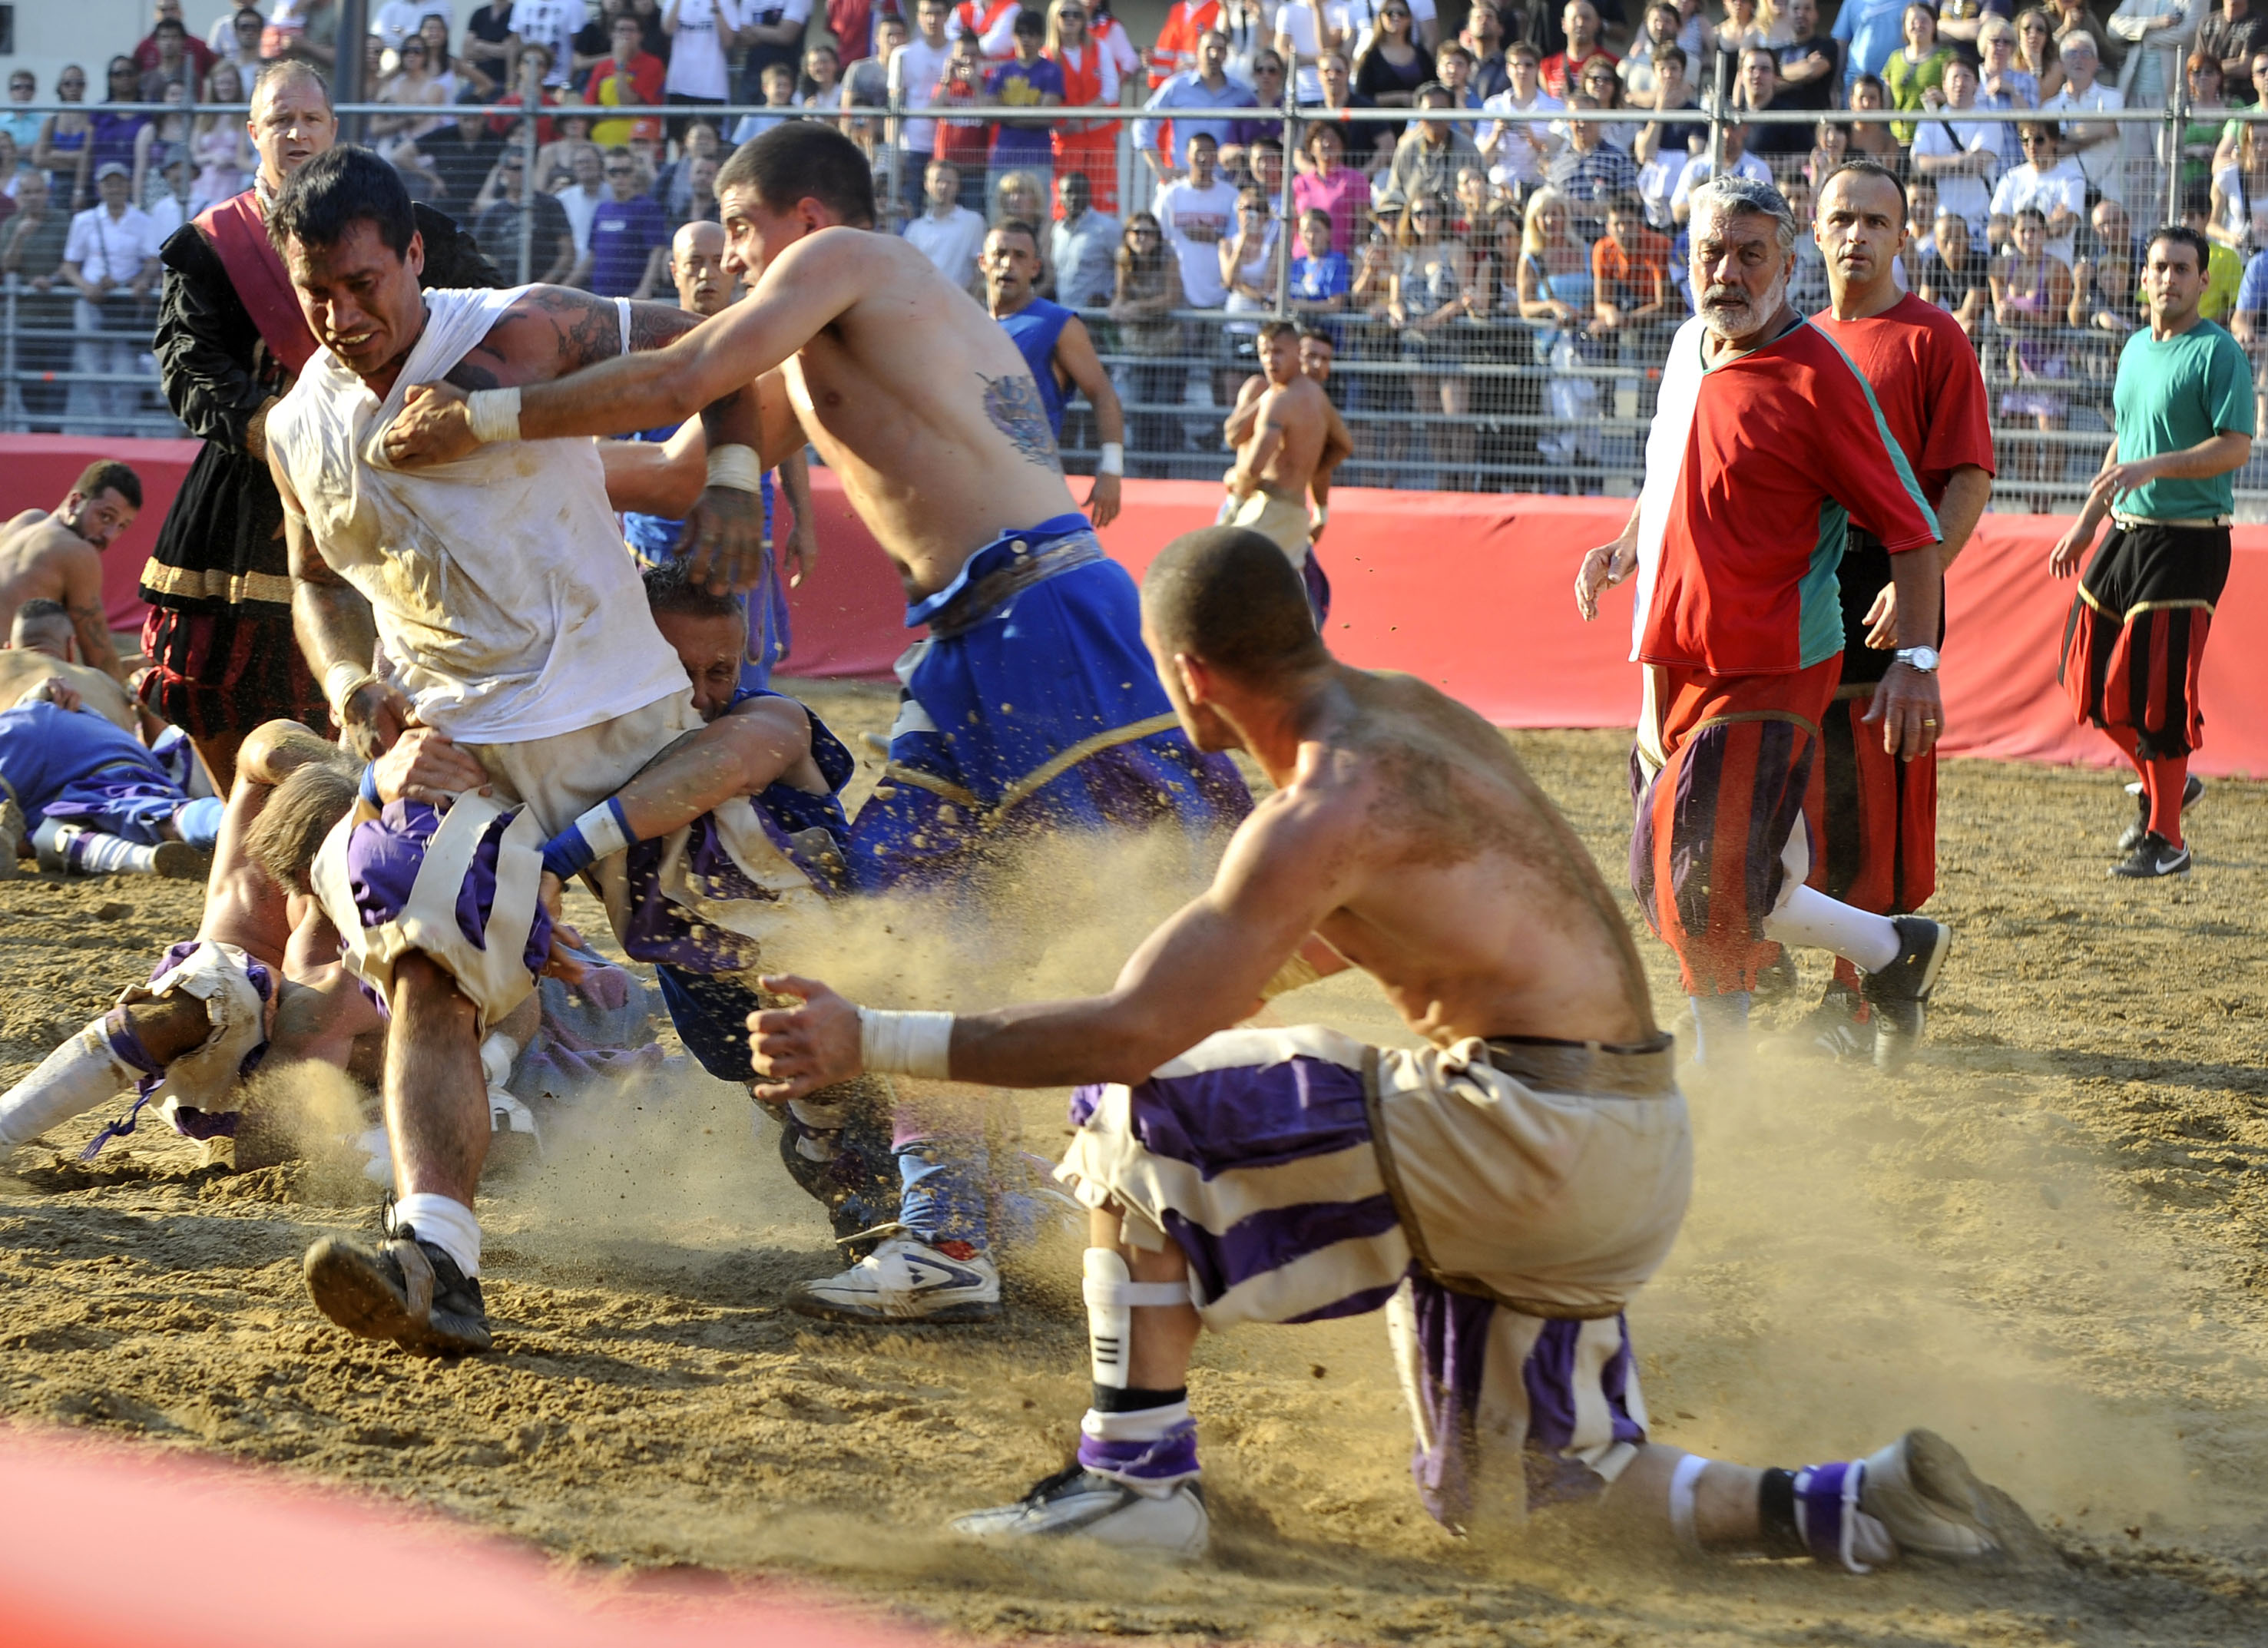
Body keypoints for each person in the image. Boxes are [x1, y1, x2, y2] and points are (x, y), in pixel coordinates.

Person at [746, 525, 2042, 1571]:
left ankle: (1127, 1478)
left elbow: (1145, 1028)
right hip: (1625, 1150)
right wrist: (1200, 979)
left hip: (1527, 1136)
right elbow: (1395, 930)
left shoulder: (1316, 807)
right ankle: (1844, 1505)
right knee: (1537, 1503)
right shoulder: (1416, 721)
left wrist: (874, 1035)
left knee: (1133, 1103)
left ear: (1187, 676)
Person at [381, 123, 1253, 1321]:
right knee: (897, 920)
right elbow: (674, 466)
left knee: (1186, 906)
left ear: (800, 215)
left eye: (738, 228)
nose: (731, 257)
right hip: (967, 639)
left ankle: (1248, 1181)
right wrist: (448, 492)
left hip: (1039, 609)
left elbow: (685, 375)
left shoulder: (854, 259)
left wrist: (482, 422)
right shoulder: (823, 339)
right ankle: (962, 1228)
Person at [1572, 174, 1954, 1074]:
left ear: (1788, 262)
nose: (1729, 271)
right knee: (1700, 873)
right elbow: (1671, 468)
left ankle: (1722, 1080)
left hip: (1768, 665)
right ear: (1687, 255)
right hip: (1664, 658)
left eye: (1751, 254)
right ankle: (1897, 952)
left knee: (1702, 876)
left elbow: (1911, 523)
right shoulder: (1683, 347)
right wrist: (1624, 545)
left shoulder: (1820, 377)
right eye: (1713, 251)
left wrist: (1918, 658)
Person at [140, 61, 499, 798]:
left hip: (395, 470)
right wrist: (273, 430)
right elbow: (188, 360)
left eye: (309, 119)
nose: (295, 132)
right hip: (250, 489)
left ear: (334, 128)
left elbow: (485, 324)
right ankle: (255, 820)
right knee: (224, 675)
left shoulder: (411, 229)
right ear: (252, 133)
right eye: (279, 120)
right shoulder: (213, 246)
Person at [1795, 161, 1996, 1060]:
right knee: (1813, 798)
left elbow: (1969, 477)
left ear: (1902, 235)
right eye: (1842, 218)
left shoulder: (1932, 338)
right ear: (1814, 227)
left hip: (1892, 588)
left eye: (1876, 221)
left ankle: (1863, 997)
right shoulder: (1794, 340)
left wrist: (1917, 584)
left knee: (1877, 807)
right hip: (1807, 595)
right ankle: (1858, 980)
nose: (1857, 236)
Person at [0, 717, 384, 1150]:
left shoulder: (410, 835)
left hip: (348, 1088)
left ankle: (371, 1154)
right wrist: (365, 775)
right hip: (217, 1046)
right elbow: (271, 749)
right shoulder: (294, 779)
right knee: (219, 988)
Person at [2051, 223, 2253, 879]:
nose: (2167, 278)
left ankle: (2167, 840)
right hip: (2125, 532)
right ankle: (2168, 783)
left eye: (2180, 269)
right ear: (2142, 278)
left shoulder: (2218, 352)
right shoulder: (2134, 347)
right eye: (2157, 267)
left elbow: (2234, 447)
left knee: (2156, 695)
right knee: (2086, 680)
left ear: (2202, 280)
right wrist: (2085, 524)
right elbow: (2123, 444)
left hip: (2189, 541)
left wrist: (2156, 467)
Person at [614, 220, 816, 693]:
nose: (706, 274)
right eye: (693, 263)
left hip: (740, 546)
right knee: (652, 682)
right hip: (657, 551)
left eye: (714, 261)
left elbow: (788, 441)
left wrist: (805, 524)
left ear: (731, 267)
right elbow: (602, 445)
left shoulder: (763, 342)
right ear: (674, 272)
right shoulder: (640, 351)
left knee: (742, 677)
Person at [0, 673, 217, 879]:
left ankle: (155, 855)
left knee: (48, 836)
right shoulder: (46, 702)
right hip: (148, 764)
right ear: (69, 645)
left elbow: (10, 841)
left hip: (109, 782)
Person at [982, 220, 1127, 522]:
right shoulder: (966, 325)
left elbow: (1103, 395)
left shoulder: (1057, 324)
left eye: (1020, 256)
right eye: (999, 254)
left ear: (1035, 268)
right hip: (971, 484)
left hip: (1031, 489)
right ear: (983, 262)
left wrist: (1111, 470)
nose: (1008, 263)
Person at [1217, 319, 1352, 619]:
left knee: (1226, 581)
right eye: (1266, 351)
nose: (1317, 365)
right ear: (1300, 355)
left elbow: (1257, 466)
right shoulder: (1262, 390)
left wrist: (1318, 501)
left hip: (1267, 505)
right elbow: (1232, 436)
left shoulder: (1303, 400)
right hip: (1255, 504)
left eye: (1325, 360)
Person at [0, 463, 141, 685]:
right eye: (105, 517)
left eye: (122, 526)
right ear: (75, 502)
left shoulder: (24, 522)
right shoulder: (77, 551)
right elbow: (100, 661)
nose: (109, 535)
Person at [1111, 210, 1190, 472]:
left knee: (1163, 411)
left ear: (1157, 237)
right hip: (1138, 347)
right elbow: (1120, 297)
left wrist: (1136, 308)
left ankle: (1161, 470)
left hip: (1169, 346)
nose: (1142, 238)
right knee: (1139, 409)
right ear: (1128, 236)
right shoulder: (1124, 258)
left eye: (1148, 232)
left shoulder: (1168, 257)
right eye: (1136, 232)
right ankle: (1143, 470)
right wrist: (1118, 307)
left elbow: (1171, 298)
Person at [1134, 30, 1260, 184]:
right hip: (1182, 182)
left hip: (1225, 185)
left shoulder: (1241, 93)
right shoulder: (1177, 86)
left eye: (1220, 49)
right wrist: (1160, 169)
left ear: (1226, 55)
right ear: (1197, 52)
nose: (1214, 54)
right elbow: (1143, 124)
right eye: (1209, 48)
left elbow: (1259, 131)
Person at [1048, 0, 1124, 214]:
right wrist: (1064, 123)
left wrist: (1081, 117)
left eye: (1077, 14)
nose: (1071, 19)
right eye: (1065, 14)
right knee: (1065, 199)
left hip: (1099, 136)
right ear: (1054, 18)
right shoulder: (1047, 55)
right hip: (1066, 138)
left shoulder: (1100, 48)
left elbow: (1111, 90)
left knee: (1102, 198)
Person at [1154, 130, 1240, 309]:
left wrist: (1214, 237)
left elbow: (1240, 241)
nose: (1203, 158)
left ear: (1216, 157)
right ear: (1187, 156)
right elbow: (1157, 238)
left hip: (1220, 292)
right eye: (1198, 152)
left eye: (1209, 153)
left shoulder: (1231, 196)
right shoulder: (1171, 195)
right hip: (1180, 291)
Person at [2041, 33, 2126, 207]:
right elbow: (2046, 151)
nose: (2079, 59)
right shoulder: (2049, 107)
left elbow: (2107, 129)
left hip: (2106, 196)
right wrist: (2091, 134)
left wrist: (2061, 137)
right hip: (2063, 198)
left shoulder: (2113, 97)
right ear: (2062, 64)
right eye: (2071, 53)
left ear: (2097, 63)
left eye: (2086, 53)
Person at [472, 146, 578, 282]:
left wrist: (540, 288)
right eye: (516, 168)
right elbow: (476, 254)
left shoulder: (551, 205)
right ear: (503, 171)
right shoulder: (493, 213)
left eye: (526, 168)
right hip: (504, 292)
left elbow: (568, 254)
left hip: (545, 293)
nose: (522, 174)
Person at [988, 9, 1068, 181]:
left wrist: (1005, 114)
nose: (1025, 39)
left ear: (1040, 38)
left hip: (1037, 160)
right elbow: (988, 110)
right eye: (1021, 33)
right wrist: (1027, 112)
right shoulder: (1002, 71)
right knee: (998, 208)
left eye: (1031, 34)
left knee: (1037, 208)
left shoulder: (1052, 71)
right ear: (1014, 36)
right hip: (1003, 158)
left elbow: (1045, 117)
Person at [584, 144, 671, 297]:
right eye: (614, 172)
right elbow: (592, 255)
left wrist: (645, 289)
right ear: (604, 174)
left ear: (634, 173)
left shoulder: (648, 207)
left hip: (633, 297)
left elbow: (657, 250)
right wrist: (566, 286)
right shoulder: (601, 209)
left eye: (626, 171)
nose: (620, 177)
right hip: (600, 296)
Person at [903, 156, 989, 289]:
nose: (943, 186)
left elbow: (979, 268)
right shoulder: (915, 228)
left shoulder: (973, 222)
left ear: (958, 186)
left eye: (949, 182)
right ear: (927, 185)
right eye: (938, 181)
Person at [1051, 171, 1123, 308]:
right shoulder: (1058, 230)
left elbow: (1127, 265)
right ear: (1060, 196)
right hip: (1063, 313)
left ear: (1089, 195)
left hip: (1096, 317)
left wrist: (1110, 296)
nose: (1074, 198)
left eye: (1080, 192)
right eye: (1068, 192)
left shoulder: (1107, 228)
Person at [1542, 0, 1617, 98]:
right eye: (1574, 18)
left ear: (1598, 24)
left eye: (1586, 18)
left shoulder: (1613, 63)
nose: (1580, 23)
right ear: (1563, 24)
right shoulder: (1546, 66)